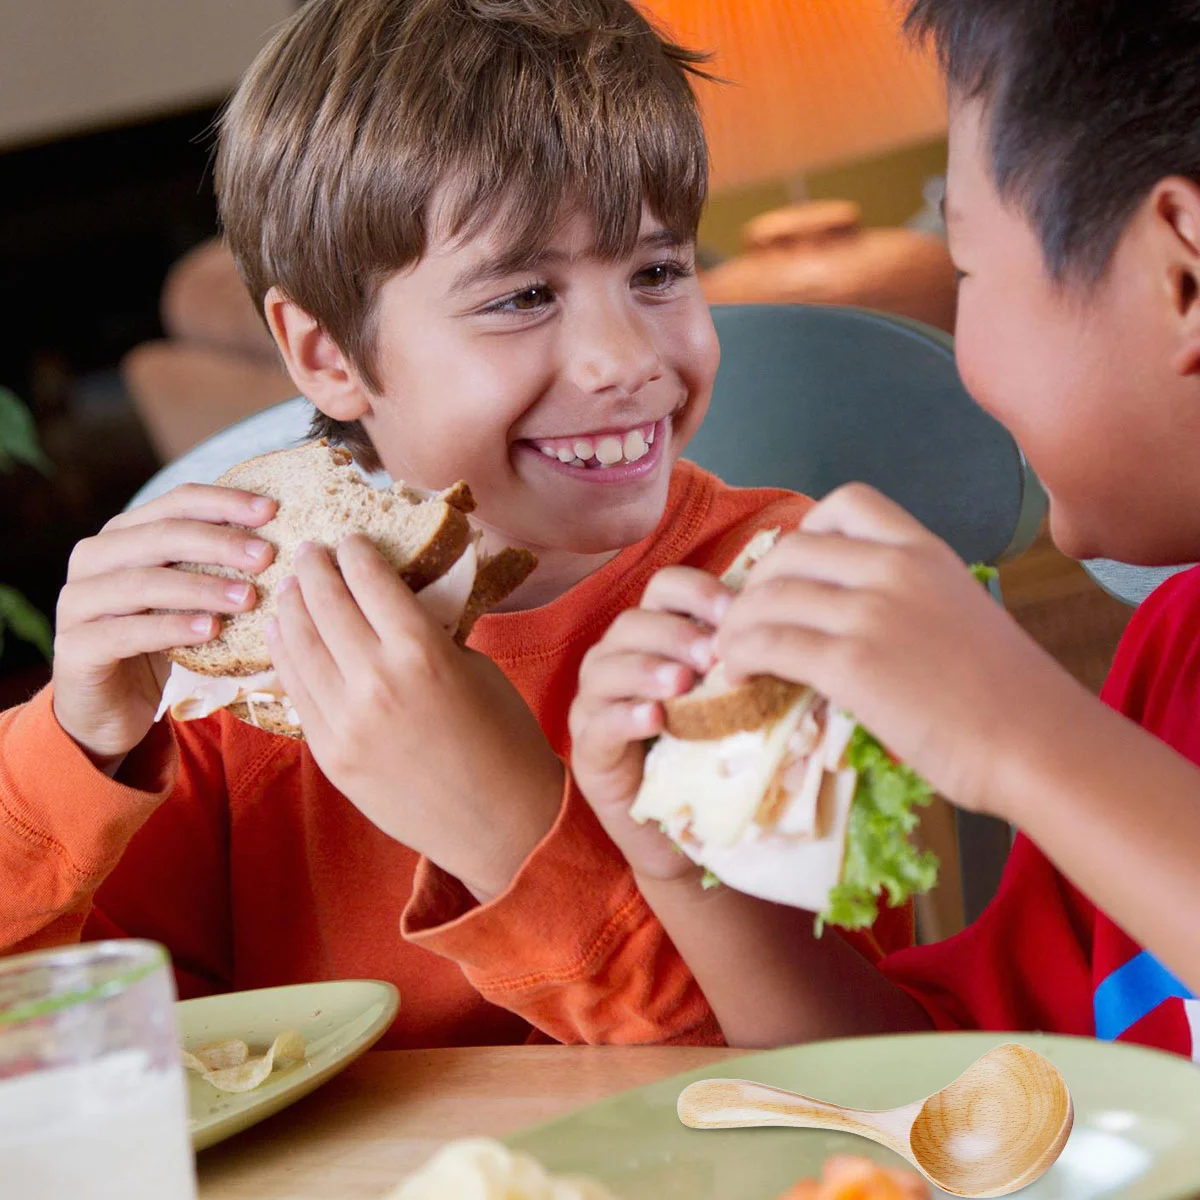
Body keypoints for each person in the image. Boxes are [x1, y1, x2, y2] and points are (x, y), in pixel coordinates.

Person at [0, 0, 917, 1051]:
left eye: (658, 272)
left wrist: (508, 824)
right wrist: (72, 749)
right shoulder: (231, 666)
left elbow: (830, 1077)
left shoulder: (775, 598)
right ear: (328, 352)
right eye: (525, 295)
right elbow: (81, 1052)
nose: (625, 359)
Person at [572, 0, 1200, 1059]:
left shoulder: (1075, 738)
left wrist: (1016, 732)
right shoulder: (1172, 659)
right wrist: (682, 862)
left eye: (966, 267)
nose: (963, 352)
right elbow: (931, 1085)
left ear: (1183, 276)